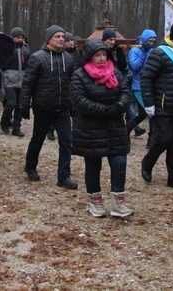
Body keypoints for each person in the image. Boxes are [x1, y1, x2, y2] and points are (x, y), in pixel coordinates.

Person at [71, 39, 133, 217]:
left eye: (104, 54)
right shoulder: (80, 75)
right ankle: (95, 200)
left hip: (115, 126)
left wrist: (118, 107)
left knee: (119, 162)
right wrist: (104, 110)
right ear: (89, 56)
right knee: (93, 164)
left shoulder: (115, 71)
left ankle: (118, 202)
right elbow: (79, 101)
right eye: (97, 55)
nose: (101, 58)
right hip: (91, 128)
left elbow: (125, 92)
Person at [20, 25, 77, 189]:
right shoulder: (37, 58)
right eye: (57, 36)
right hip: (43, 107)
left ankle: (63, 176)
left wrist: (73, 105)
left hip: (63, 108)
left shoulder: (69, 59)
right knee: (37, 139)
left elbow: (72, 84)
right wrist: (24, 105)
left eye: (62, 37)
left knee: (66, 142)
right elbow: (28, 83)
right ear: (49, 39)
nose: (60, 39)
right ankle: (30, 166)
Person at [140, 21, 173, 190]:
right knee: (163, 139)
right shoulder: (159, 53)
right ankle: (147, 163)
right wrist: (149, 103)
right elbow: (147, 78)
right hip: (163, 106)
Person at [125, 29, 156, 137]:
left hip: (149, 85)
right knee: (151, 113)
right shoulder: (135, 50)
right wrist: (143, 53)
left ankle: (126, 130)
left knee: (142, 114)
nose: (151, 44)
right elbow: (134, 67)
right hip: (138, 86)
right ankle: (151, 138)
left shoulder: (152, 51)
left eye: (153, 41)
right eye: (149, 41)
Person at [0, 27, 29, 137]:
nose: (20, 39)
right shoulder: (7, 50)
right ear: (12, 38)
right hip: (9, 81)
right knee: (11, 103)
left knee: (20, 106)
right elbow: (1, 66)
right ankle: (4, 121)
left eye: (21, 37)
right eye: (17, 37)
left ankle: (16, 127)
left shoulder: (26, 49)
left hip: (22, 80)